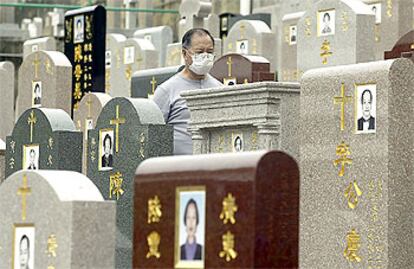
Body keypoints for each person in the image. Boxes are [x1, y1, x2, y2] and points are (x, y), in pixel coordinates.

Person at [153, 28, 222, 155]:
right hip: (179, 168)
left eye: (210, 52)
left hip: (212, 164)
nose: (205, 56)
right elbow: (154, 135)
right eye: (200, 52)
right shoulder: (167, 90)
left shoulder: (220, 88)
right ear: (185, 54)